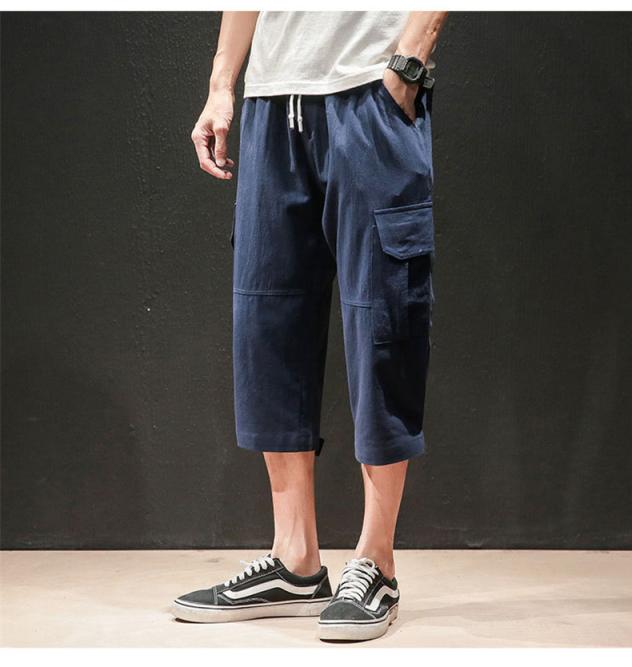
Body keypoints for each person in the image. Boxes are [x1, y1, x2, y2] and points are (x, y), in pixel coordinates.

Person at [172, 10, 448, 642]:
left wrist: (407, 66)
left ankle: (376, 561)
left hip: (370, 95)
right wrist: (222, 85)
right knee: (268, 324)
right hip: (273, 103)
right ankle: (295, 560)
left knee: (384, 320)